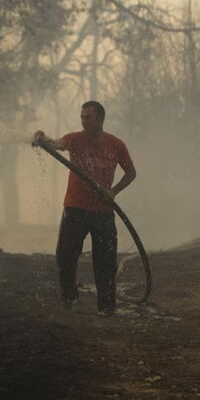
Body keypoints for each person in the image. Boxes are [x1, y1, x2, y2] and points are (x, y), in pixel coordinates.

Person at [33, 101, 136, 315]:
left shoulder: (116, 145)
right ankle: (69, 298)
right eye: (82, 117)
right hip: (75, 208)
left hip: (103, 212)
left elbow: (131, 173)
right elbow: (57, 144)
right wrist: (43, 139)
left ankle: (106, 307)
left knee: (106, 261)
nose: (83, 121)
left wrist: (113, 191)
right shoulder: (75, 139)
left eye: (88, 117)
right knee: (65, 256)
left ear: (100, 119)